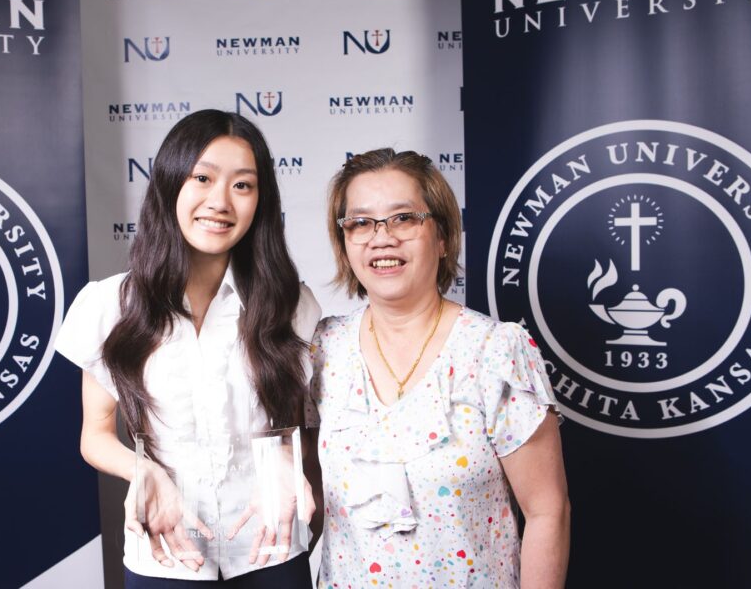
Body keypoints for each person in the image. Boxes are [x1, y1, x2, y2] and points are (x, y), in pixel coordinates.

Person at [55, 110, 321, 588]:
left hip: (270, 549)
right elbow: (93, 436)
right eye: (202, 178)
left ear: (260, 201)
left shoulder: (291, 304)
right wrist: (143, 472)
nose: (220, 201)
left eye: (243, 185)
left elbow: (302, 425)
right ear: (170, 183)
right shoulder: (110, 306)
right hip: (165, 552)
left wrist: (287, 458)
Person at [310, 148, 570, 588]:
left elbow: (548, 513)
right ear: (344, 242)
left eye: (403, 218)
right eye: (360, 222)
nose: (381, 238)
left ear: (444, 236)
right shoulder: (324, 347)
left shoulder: (495, 350)